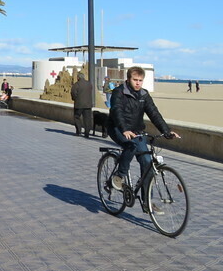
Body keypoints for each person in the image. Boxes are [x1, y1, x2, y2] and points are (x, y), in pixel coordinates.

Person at [109, 66, 180, 212]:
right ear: (128, 79)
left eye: (140, 81)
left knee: (147, 163)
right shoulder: (119, 92)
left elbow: (154, 113)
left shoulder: (144, 95)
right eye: (135, 80)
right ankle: (119, 176)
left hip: (136, 131)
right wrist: (124, 129)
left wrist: (167, 132)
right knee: (130, 146)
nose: (137, 83)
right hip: (117, 127)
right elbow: (116, 111)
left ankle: (147, 202)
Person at [70, 74, 94, 138]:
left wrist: (75, 99)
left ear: (78, 78)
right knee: (87, 119)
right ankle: (87, 133)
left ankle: (78, 131)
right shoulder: (89, 84)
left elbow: (73, 93)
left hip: (79, 105)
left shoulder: (76, 84)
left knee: (77, 117)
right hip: (88, 105)